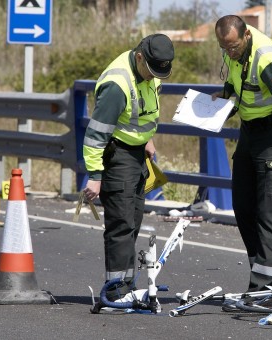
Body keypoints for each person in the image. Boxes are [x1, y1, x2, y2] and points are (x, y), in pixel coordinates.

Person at [212, 15, 272, 304]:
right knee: (242, 205)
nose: (230, 53)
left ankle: (263, 285)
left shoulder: (267, 59)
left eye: (234, 47)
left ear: (246, 37)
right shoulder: (235, 51)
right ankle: (268, 275)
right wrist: (225, 94)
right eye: (224, 48)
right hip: (249, 133)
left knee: (269, 211)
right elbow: (239, 84)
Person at [82, 34, 175, 302]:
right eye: (151, 70)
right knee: (120, 224)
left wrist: (147, 139)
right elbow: (96, 135)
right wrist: (95, 177)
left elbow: (143, 111)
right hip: (117, 154)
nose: (154, 76)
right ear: (139, 57)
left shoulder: (152, 72)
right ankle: (115, 290)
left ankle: (124, 284)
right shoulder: (117, 84)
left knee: (133, 220)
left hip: (137, 154)